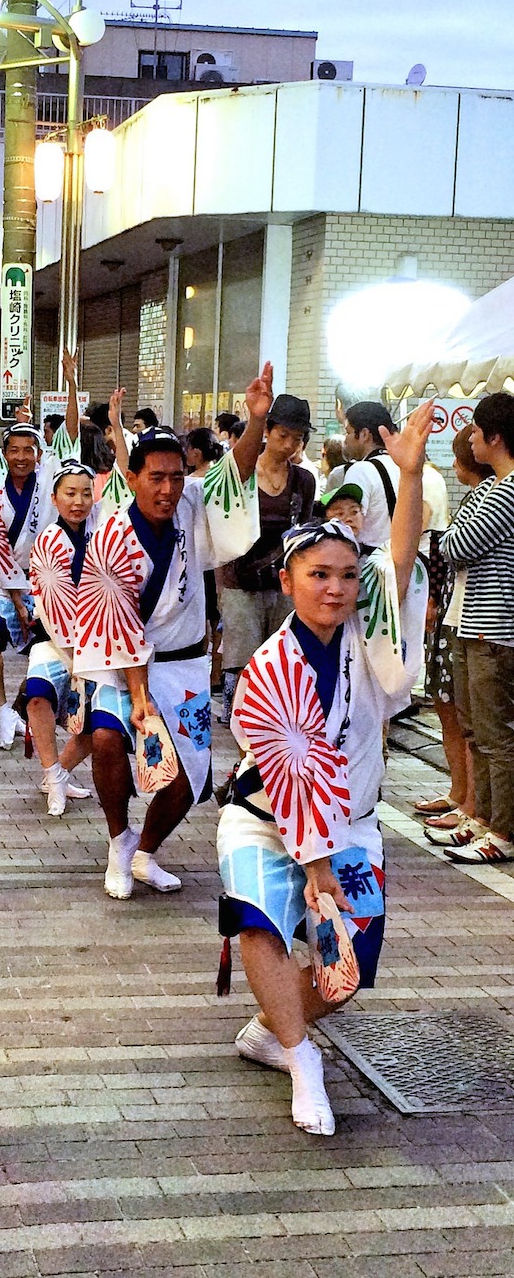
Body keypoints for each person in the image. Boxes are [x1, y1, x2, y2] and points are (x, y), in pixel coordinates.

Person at [217, 400, 433, 1136]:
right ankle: (301, 1058)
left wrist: (409, 474)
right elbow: (288, 780)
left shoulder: (369, 642)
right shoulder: (268, 670)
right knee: (259, 923)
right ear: (290, 578)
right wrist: (315, 869)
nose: (336, 588)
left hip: (354, 823)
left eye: (347, 575)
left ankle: (272, 1029)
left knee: (349, 967)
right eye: (319, 575)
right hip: (266, 820)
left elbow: (398, 564)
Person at [73, 366, 273, 899]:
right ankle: (118, 839)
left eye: (176, 475)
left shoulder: (190, 500)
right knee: (109, 738)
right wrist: (140, 697)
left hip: (183, 661)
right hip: (125, 663)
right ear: (131, 476)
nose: (167, 488)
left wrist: (256, 420)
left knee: (190, 778)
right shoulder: (111, 535)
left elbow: (239, 472)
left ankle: (145, 851)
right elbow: (121, 628)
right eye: (155, 477)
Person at [0, 356, 80, 749]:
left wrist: (70, 384)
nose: (21, 456)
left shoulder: (53, 479)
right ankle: (4, 710)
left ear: (38, 452)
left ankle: (30, 708)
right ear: (4, 454)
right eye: (14, 450)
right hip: (11, 587)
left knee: (54, 655)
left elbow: (71, 434)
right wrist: (20, 603)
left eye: (28, 449)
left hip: (53, 582)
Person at [437, 393, 514, 863]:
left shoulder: (506, 491)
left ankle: (502, 831)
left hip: (495, 628)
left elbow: (456, 544)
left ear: (495, 437)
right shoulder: (497, 488)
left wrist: (445, 539)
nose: (470, 440)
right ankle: (483, 818)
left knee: (497, 735)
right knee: (480, 732)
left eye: (476, 431)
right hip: (477, 625)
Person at [218, 394, 316, 708]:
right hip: (239, 582)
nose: (288, 444)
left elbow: (302, 537)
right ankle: (242, 737)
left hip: (284, 585)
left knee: (282, 665)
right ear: (268, 431)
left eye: (297, 439)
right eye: (282, 435)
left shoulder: (304, 481)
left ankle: (273, 735)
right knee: (242, 664)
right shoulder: (242, 473)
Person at [417, 425, 492, 837]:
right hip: (455, 614)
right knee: (453, 712)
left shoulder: (492, 494)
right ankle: (461, 795)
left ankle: (474, 806)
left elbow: (454, 548)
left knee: (471, 721)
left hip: (473, 620)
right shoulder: (477, 494)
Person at [26, 459, 98, 817]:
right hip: (56, 641)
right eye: (70, 493)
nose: (79, 501)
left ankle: (59, 771)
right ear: (54, 498)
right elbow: (52, 608)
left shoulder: (97, 535)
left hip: (97, 642)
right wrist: (74, 657)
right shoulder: (50, 541)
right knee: (38, 694)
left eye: (86, 493)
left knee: (98, 722)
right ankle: (52, 774)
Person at [342, 401, 400, 549]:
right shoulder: (402, 467)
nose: (345, 440)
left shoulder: (361, 470)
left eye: (348, 432)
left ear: (364, 434)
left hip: (369, 565)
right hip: (401, 563)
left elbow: (348, 526)